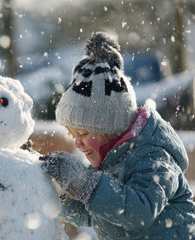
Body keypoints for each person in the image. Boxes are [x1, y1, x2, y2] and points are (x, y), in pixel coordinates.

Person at [40, 32, 195, 239]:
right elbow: (92, 213)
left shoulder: (154, 157)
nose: (77, 142)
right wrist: (62, 193)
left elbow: (138, 212)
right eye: (72, 134)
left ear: (111, 128)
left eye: (84, 133)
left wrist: (85, 186)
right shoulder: (108, 160)